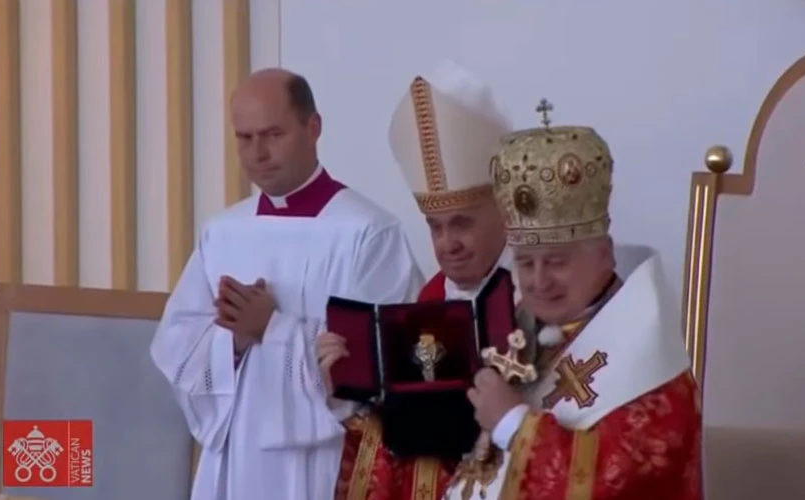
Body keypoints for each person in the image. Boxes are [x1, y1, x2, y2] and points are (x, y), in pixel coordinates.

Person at [150, 68, 425, 500]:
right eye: (244, 138)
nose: (258, 152)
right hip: (238, 458)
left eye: (273, 134)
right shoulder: (222, 234)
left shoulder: (367, 232)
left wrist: (271, 329)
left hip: (328, 462)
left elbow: (391, 358)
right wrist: (234, 344)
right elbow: (175, 348)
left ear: (312, 128)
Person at [444, 117, 703, 499]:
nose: (538, 281)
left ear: (605, 255)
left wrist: (514, 424)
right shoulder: (523, 334)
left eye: (557, 261)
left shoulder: (651, 366)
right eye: (526, 263)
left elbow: (617, 482)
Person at [317, 61, 518, 499]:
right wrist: (345, 392)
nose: (447, 244)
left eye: (462, 223)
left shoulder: (538, 300)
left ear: (504, 212)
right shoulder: (426, 303)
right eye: (434, 226)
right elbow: (391, 445)